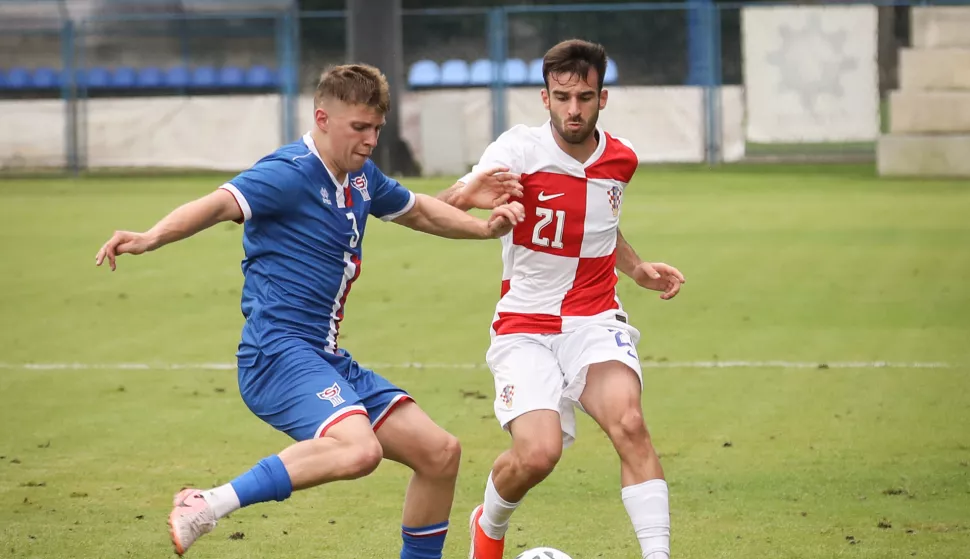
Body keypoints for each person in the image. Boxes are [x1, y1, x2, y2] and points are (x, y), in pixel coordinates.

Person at [94, 63, 525, 558]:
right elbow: (216, 204)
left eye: (377, 129)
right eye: (358, 128)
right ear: (322, 118)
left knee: (440, 454)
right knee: (360, 450)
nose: (370, 140)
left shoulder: (360, 178)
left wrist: (485, 229)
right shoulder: (288, 172)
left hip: (323, 356)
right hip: (274, 354)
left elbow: (421, 210)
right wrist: (150, 236)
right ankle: (206, 503)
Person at [440, 40, 687, 559]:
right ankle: (488, 524)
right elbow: (446, 203)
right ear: (544, 97)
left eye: (585, 97)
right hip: (524, 323)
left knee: (630, 423)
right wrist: (470, 198)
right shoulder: (517, 149)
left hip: (594, 316)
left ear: (603, 98)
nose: (573, 109)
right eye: (562, 96)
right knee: (537, 454)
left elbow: (599, 227)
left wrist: (637, 268)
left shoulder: (621, 160)